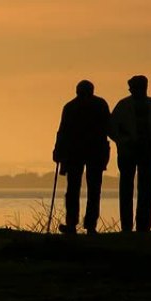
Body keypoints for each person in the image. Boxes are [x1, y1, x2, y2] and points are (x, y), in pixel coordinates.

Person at [109, 75, 151, 232]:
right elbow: (111, 128)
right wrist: (123, 140)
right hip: (128, 152)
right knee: (126, 189)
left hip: (149, 152)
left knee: (147, 190)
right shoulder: (123, 105)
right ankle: (126, 227)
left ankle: (143, 226)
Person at [53, 80, 111, 235]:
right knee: (92, 190)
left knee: (75, 190)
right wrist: (58, 151)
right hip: (90, 152)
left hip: (78, 153)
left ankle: (74, 224)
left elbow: (62, 131)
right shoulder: (100, 105)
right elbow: (109, 127)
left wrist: (58, 151)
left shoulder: (71, 106)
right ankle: (88, 226)